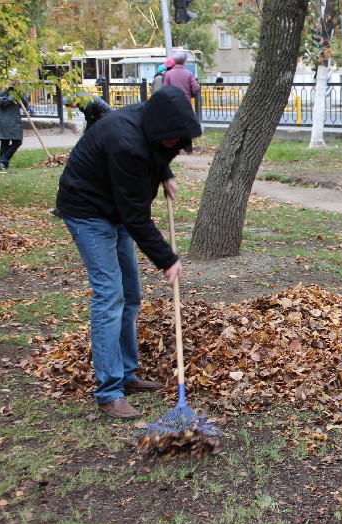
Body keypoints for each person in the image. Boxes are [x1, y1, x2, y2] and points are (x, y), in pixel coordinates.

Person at [55, 86, 202, 419]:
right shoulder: (126, 142)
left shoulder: (150, 122)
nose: (174, 147)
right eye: (172, 142)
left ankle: (126, 374)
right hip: (87, 210)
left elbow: (157, 149)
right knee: (110, 296)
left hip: (114, 206)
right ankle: (109, 392)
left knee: (131, 294)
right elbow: (137, 216)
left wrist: (163, 172)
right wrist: (167, 258)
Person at [0, 71, 30, 171]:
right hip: (4, 119)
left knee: (15, 141)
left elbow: (25, 103)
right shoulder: (3, 88)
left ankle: (3, 162)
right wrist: (13, 96)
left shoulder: (20, 88)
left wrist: (20, 95)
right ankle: (3, 161)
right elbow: (1, 102)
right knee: (11, 141)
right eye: (17, 78)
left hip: (13, 119)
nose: (18, 80)